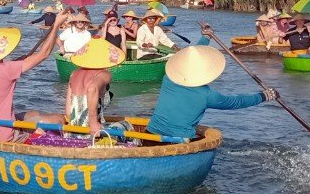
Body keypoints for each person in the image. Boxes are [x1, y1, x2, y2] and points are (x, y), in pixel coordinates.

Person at [0, 12, 70, 141]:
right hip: (5, 133)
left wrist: (23, 59)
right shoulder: (7, 70)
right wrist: (57, 24)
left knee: (34, 114)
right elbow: (44, 54)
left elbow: (4, 68)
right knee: (58, 120)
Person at [148, 44, 276, 140]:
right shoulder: (207, 95)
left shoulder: (168, 79)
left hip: (151, 135)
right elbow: (236, 102)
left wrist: (205, 38)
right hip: (180, 140)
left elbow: (190, 55)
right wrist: (264, 96)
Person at [65, 39, 121, 136]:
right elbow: (92, 88)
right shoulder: (103, 74)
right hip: (91, 133)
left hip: (73, 130)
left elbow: (68, 112)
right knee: (127, 126)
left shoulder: (74, 74)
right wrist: (93, 122)